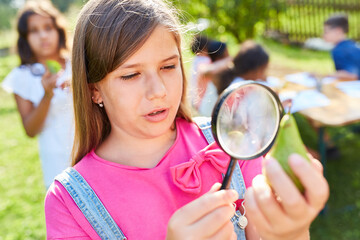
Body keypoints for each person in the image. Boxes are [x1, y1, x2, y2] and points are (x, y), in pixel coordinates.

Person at [45, 0, 329, 239]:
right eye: (130, 75)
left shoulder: (232, 142)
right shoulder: (69, 203)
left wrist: (291, 231)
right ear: (95, 90)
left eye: (168, 66)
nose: (158, 91)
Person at [1, 0, 74, 188]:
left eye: (48, 27)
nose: (43, 35)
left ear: (58, 30)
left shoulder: (78, 64)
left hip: (93, 152)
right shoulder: (21, 77)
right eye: (34, 31)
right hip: (57, 160)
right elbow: (30, 130)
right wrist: (47, 95)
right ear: (25, 38)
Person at [190, 36, 231, 116]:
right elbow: (206, 70)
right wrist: (230, 60)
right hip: (204, 106)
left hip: (201, 105)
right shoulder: (202, 61)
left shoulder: (197, 60)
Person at [323, 14, 360, 81]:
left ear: (338, 31)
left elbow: (352, 75)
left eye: (326, 32)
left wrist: (325, 76)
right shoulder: (350, 44)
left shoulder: (340, 50)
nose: (323, 35)